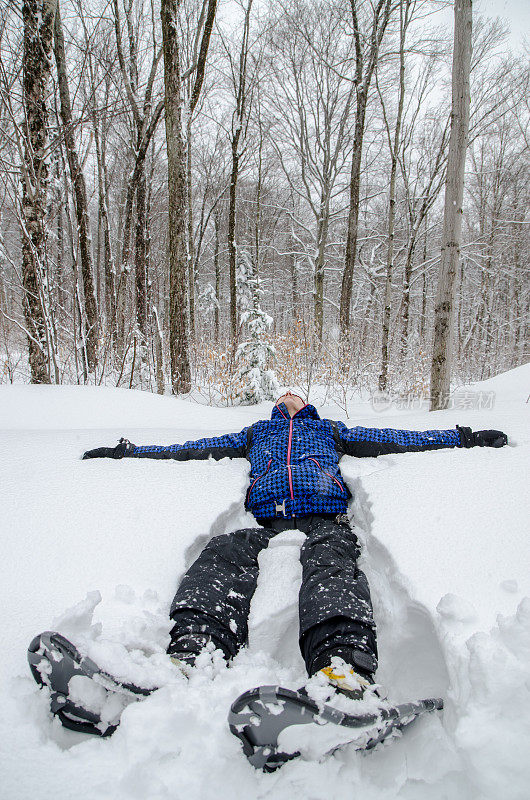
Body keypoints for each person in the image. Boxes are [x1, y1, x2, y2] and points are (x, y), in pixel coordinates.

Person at [83, 392, 507, 699]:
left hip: (324, 518)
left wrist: (463, 437)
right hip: (267, 521)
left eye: (295, 396)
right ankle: (194, 649)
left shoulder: (328, 430)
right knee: (221, 554)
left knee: (331, 564)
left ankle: (344, 669)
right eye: (282, 396)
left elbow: (392, 436)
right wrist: (131, 452)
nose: (288, 398)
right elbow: (195, 448)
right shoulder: (257, 432)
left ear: (307, 406)